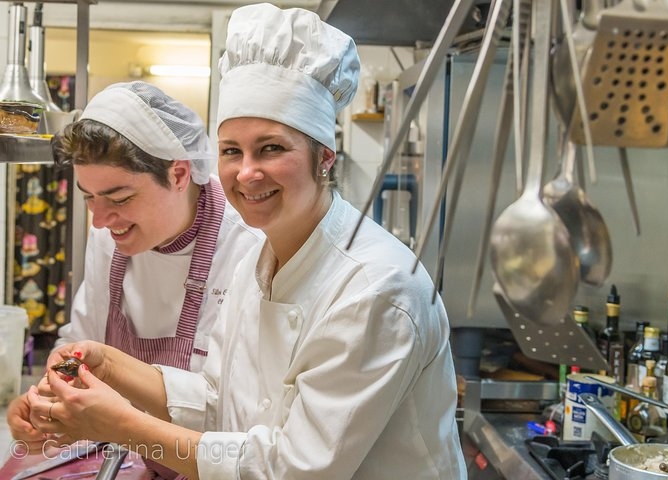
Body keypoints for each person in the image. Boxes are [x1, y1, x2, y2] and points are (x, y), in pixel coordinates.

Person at [28, 4, 466, 479]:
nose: (246, 172)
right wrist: (110, 364)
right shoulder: (259, 264)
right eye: (231, 151)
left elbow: (290, 469)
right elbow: (218, 401)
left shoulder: (375, 290)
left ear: (324, 156)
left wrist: (121, 424)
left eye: (271, 148)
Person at [8, 82, 261, 470]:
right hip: (131, 458)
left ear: (178, 174)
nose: (100, 219)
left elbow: (236, 415)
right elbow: (83, 341)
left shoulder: (249, 247)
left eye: (120, 198)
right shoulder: (108, 237)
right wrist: (49, 401)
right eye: (88, 197)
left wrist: (121, 421)